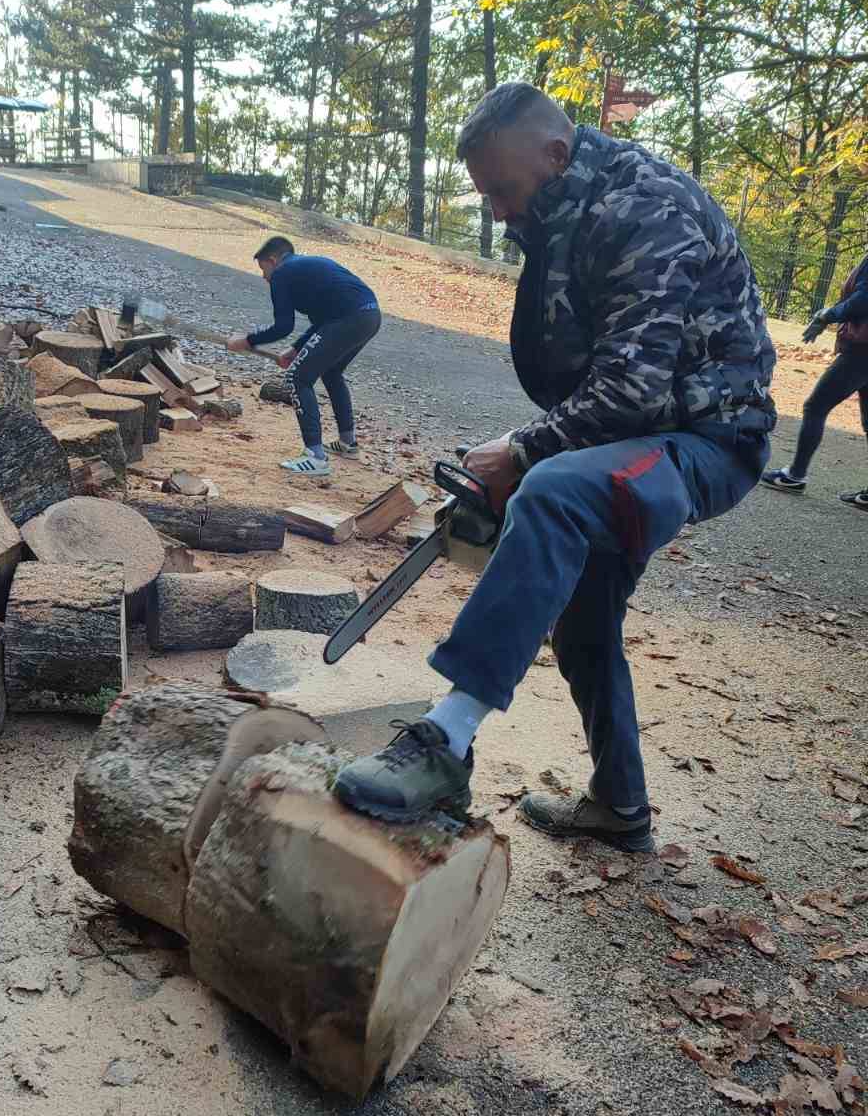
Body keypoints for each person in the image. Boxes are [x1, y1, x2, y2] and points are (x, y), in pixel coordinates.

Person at [333, 83, 776, 852]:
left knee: (554, 489)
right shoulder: (568, 209)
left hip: (709, 440)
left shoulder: (647, 206)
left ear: (557, 155)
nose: (499, 211)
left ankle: (448, 740)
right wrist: (518, 456)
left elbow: (636, 388)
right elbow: (603, 385)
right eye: (487, 196)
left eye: (503, 190)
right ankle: (619, 807)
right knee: (583, 620)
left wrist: (527, 452)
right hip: (639, 438)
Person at [226, 237, 380, 476]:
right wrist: (296, 348)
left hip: (348, 318)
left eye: (263, 269)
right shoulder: (303, 268)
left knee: (299, 378)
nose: (264, 277)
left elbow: (283, 326)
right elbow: (323, 321)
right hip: (369, 316)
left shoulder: (282, 274)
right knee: (331, 372)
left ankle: (315, 457)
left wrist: (247, 340)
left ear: (273, 260)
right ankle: (348, 443)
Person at [760, 248, 868, 510]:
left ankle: (795, 476)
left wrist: (827, 315)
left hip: (862, 351)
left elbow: (863, 300)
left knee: (816, 406)